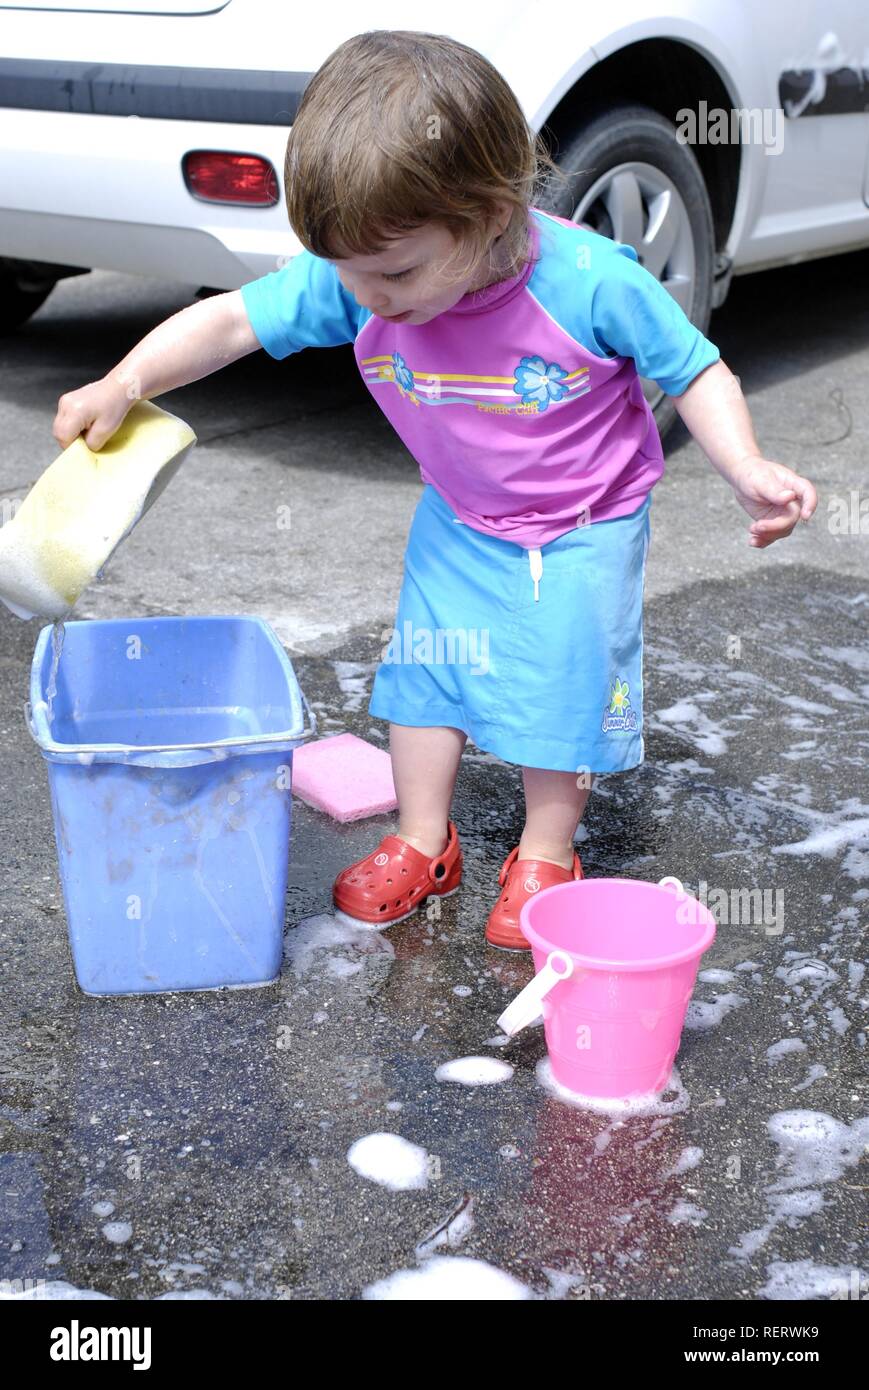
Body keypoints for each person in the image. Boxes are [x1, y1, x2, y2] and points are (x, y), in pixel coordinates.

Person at [53, 30, 817, 952]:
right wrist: (122, 384)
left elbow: (696, 371)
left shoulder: (588, 284)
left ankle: (545, 848)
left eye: (397, 271)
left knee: (561, 695)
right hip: (459, 518)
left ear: (494, 213)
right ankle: (423, 837)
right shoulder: (365, 278)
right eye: (346, 271)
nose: (366, 296)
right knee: (422, 682)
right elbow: (228, 323)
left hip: (581, 527)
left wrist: (745, 468)